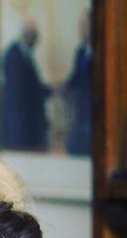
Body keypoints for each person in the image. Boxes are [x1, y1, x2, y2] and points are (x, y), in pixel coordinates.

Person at [0, 20, 52, 151]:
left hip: (25, 124)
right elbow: (23, 91)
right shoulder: (14, 55)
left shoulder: (25, 54)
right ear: (29, 35)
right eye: (35, 36)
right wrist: (48, 92)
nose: (36, 41)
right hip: (20, 126)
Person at [64, 9, 92, 156]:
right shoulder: (80, 51)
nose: (81, 30)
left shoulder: (105, 51)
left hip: (94, 109)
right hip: (80, 107)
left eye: (84, 26)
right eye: (80, 26)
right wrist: (65, 87)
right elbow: (75, 76)